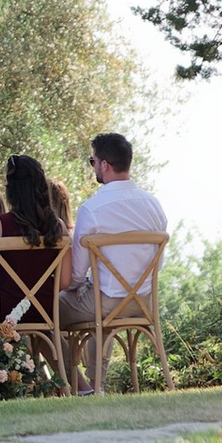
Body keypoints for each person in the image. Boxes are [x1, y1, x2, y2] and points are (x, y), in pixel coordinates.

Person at [61, 132, 170, 383]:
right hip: (145, 300)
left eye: (93, 162)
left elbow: (76, 274)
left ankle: (79, 385)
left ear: (105, 165)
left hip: (106, 303)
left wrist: (78, 287)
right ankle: (95, 384)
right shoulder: (154, 205)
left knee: (47, 310)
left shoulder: (92, 209)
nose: (94, 167)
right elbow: (158, 264)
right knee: (100, 297)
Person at [0, 152, 68, 319]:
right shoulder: (57, 226)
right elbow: (65, 281)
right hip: (44, 310)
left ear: (10, 190)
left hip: (4, 310)